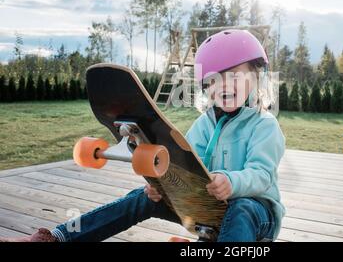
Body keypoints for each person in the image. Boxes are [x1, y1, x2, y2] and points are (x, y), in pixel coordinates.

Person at [1, 29, 285, 242]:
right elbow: (185, 167)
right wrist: (161, 184)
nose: (224, 85)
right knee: (143, 197)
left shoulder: (263, 125)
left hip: (257, 216)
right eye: (213, 80)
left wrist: (231, 182)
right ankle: (60, 237)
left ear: (256, 77)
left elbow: (261, 175)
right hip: (207, 210)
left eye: (234, 75)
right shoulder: (202, 125)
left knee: (243, 206)